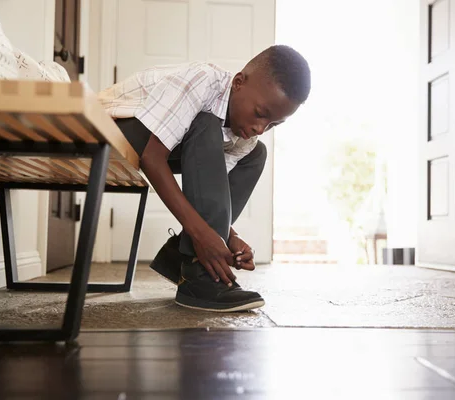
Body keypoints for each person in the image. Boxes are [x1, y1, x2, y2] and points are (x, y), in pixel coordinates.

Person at [98, 45, 311, 312]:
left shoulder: (245, 135)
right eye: (260, 113)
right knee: (207, 121)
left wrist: (227, 236)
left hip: (164, 143)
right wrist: (203, 236)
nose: (260, 127)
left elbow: (208, 186)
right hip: (115, 126)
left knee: (256, 153)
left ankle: (185, 261)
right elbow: (153, 158)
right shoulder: (203, 81)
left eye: (273, 125)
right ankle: (198, 276)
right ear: (238, 83)